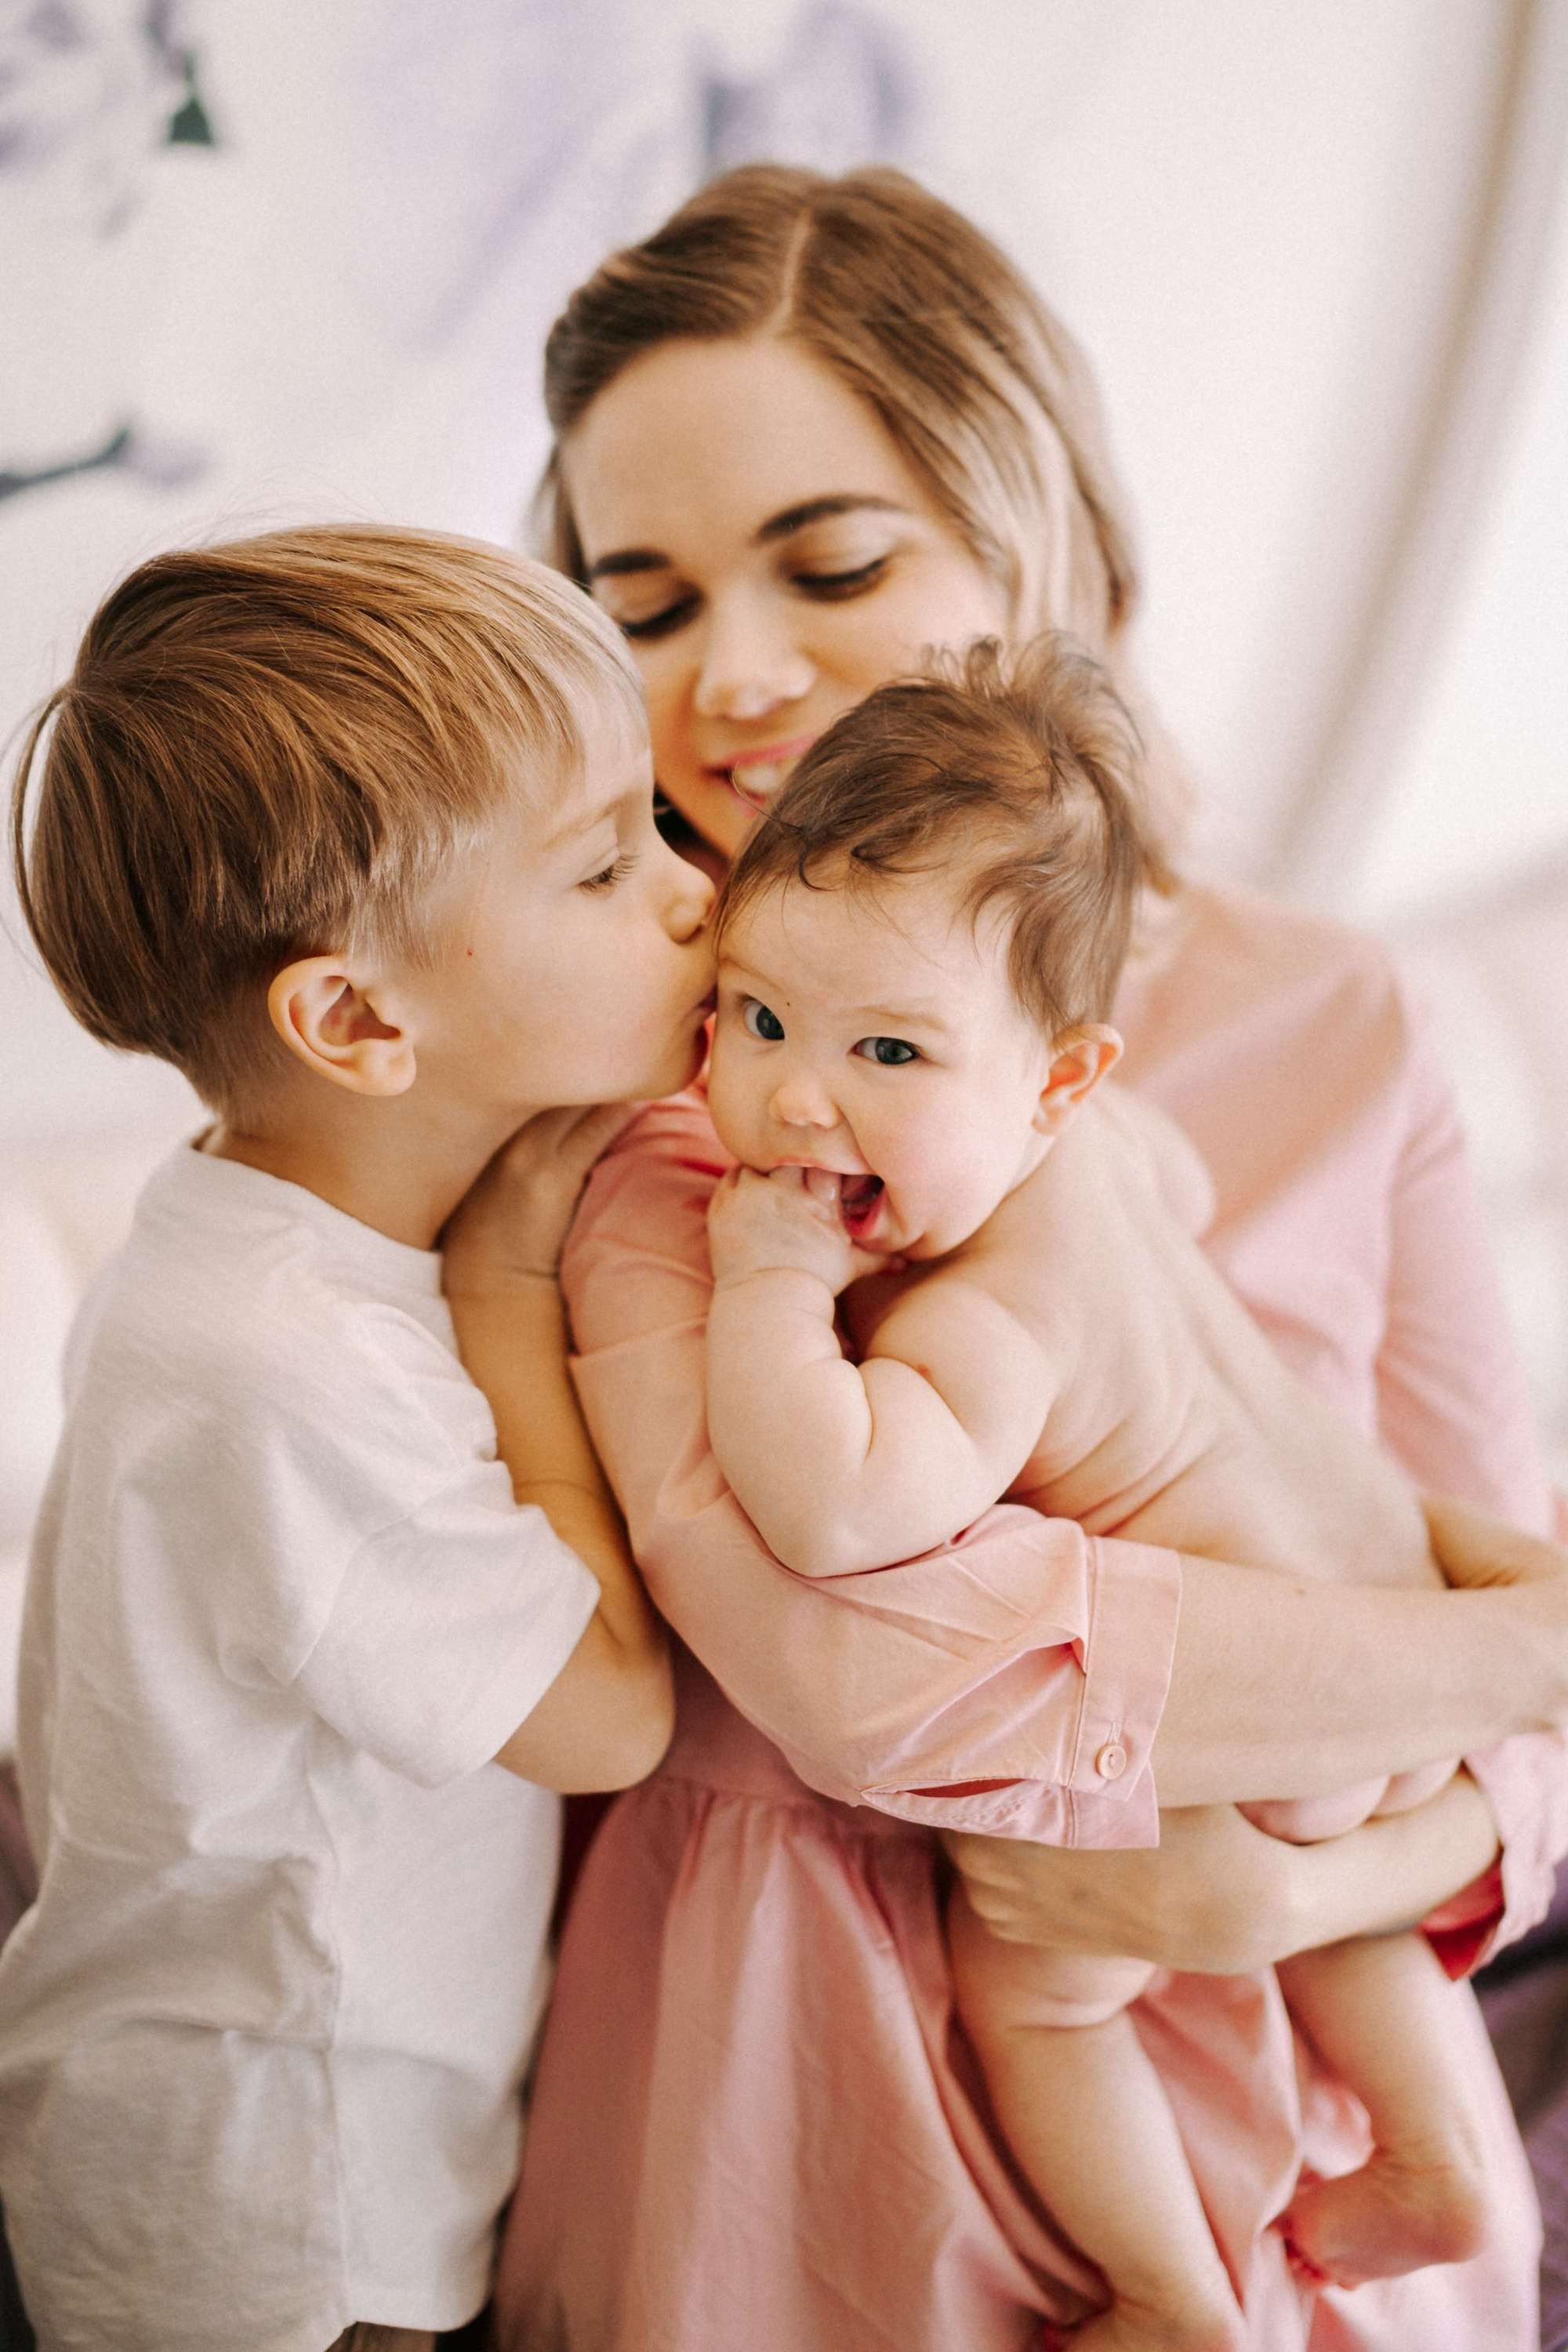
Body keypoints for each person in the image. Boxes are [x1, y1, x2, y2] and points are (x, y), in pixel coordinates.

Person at [472, 164, 1568, 2351]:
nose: (741, 676)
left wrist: (1297, 1876)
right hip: (797, 2100)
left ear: (1032, 536)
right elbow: (867, 1661)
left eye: (835, 562)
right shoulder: (639, 1074)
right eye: (648, 596)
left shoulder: (1336, 1021)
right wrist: (1480, 1664)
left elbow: (1527, 1718)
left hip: (1291, 2112)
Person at [701, 632, 1494, 2352]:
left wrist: (771, 1290)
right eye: (755, 1015)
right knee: (1336, 1878)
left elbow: (844, 1512)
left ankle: (1165, 2296)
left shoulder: (988, 1319)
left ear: (1059, 1075)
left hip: (1251, 1692)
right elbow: (1194, 1189)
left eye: (890, 1058)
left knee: (1037, 1991)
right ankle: (1436, 2156)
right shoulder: (1119, 1158)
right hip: (1387, 1595)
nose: (790, 1095)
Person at [0, 525, 715, 2352]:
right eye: (605, 863)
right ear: (355, 1021)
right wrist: (507, 1299)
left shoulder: (246, 1234)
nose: (693, 891)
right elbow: (610, 1716)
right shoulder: (290, 1364)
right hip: (280, 2214)